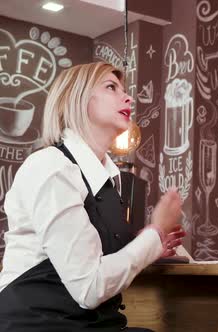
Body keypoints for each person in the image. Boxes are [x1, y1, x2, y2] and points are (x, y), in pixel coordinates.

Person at [0, 62, 185, 331]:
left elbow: (94, 264)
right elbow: (89, 287)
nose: (128, 97)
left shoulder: (107, 181)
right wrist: (154, 233)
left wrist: (151, 247)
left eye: (124, 89)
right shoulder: (51, 167)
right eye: (111, 87)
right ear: (76, 99)